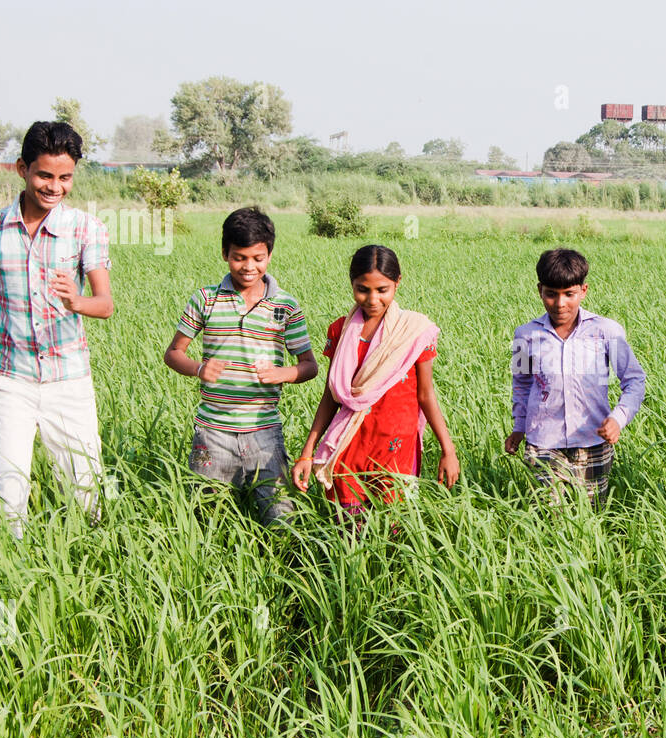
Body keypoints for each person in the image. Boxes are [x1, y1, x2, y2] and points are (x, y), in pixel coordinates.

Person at [0, 121, 113, 537]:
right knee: (8, 486)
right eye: (44, 175)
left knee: (85, 488)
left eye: (65, 177)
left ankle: (87, 561)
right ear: (22, 169)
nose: (54, 186)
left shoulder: (85, 229)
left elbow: (105, 305)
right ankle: (10, 573)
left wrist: (76, 301)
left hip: (69, 380)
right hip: (12, 379)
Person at [164, 207, 317, 524]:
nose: (249, 267)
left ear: (269, 255)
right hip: (211, 432)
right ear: (224, 253)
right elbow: (173, 353)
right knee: (206, 513)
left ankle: (281, 563)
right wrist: (198, 368)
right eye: (239, 257)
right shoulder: (205, 299)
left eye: (258, 258)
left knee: (279, 515)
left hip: (264, 432)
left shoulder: (284, 306)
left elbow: (309, 366)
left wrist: (283, 374)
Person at [291, 244, 459, 519]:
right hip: (350, 441)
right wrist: (308, 451)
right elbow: (331, 395)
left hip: (395, 445)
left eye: (382, 290)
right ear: (352, 284)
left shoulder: (415, 332)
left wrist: (447, 449)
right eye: (362, 289)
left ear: (397, 283)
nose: (372, 299)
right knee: (349, 524)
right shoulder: (340, 329)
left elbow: (426, 396)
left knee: (394, 524)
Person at [504, 248, 646, 506]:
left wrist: (618, 418)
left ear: (583, 290)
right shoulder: (524, 335)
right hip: (543, 442)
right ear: (540, 290)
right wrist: (519, 426)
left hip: (592, 441)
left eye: (569, 294)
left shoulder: (607, 332)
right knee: (549, 516)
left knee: (591, 514)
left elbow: (634, 380)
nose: (560, 304)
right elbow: (522, 384)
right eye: (551, 294)